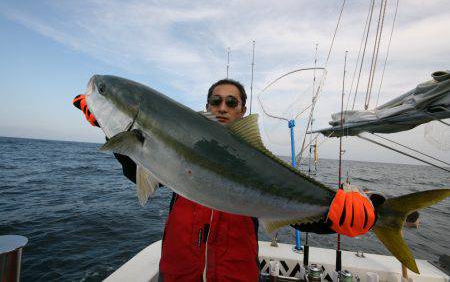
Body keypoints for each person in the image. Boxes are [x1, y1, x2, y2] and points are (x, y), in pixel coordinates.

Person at [73, 78, 375, 282]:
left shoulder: (262, 167)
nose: (223, 107)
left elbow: (297, 214)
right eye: (216, 101)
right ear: (207, 108)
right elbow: (140, 169)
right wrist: (109, 126)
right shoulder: (183, 149)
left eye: (232, 103)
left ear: (243, 111)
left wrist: (339, 217)